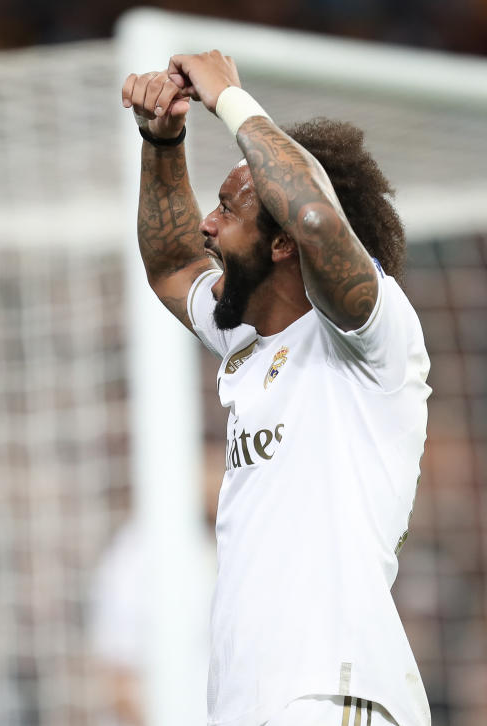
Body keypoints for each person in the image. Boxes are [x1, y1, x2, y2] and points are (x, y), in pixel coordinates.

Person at [121, 52, 432, 726]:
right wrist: (162, 139)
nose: (208, 224)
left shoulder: (369, 335)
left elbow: (318, 218)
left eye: (229, 210)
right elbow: (172, 263)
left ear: (285, 244)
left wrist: (230, 99)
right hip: (252, 702)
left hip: (334, 692)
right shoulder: (247, 337)